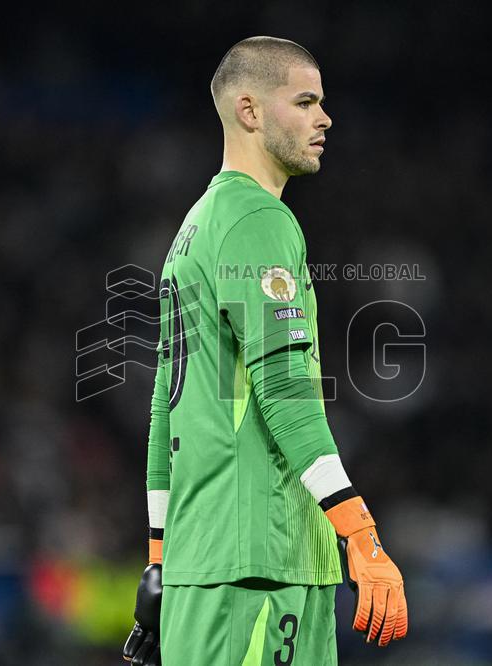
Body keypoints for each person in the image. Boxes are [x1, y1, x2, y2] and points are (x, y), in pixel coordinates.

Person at [122, 36, 408, 666]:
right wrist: (360, 533)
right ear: (250, 111)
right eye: (305, 101)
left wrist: (161, 564)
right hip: (259, 561)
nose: (324, 118)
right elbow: (284, 392)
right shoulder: (258, 221)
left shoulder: (197, 223)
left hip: (215, 564)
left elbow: (161, 412)